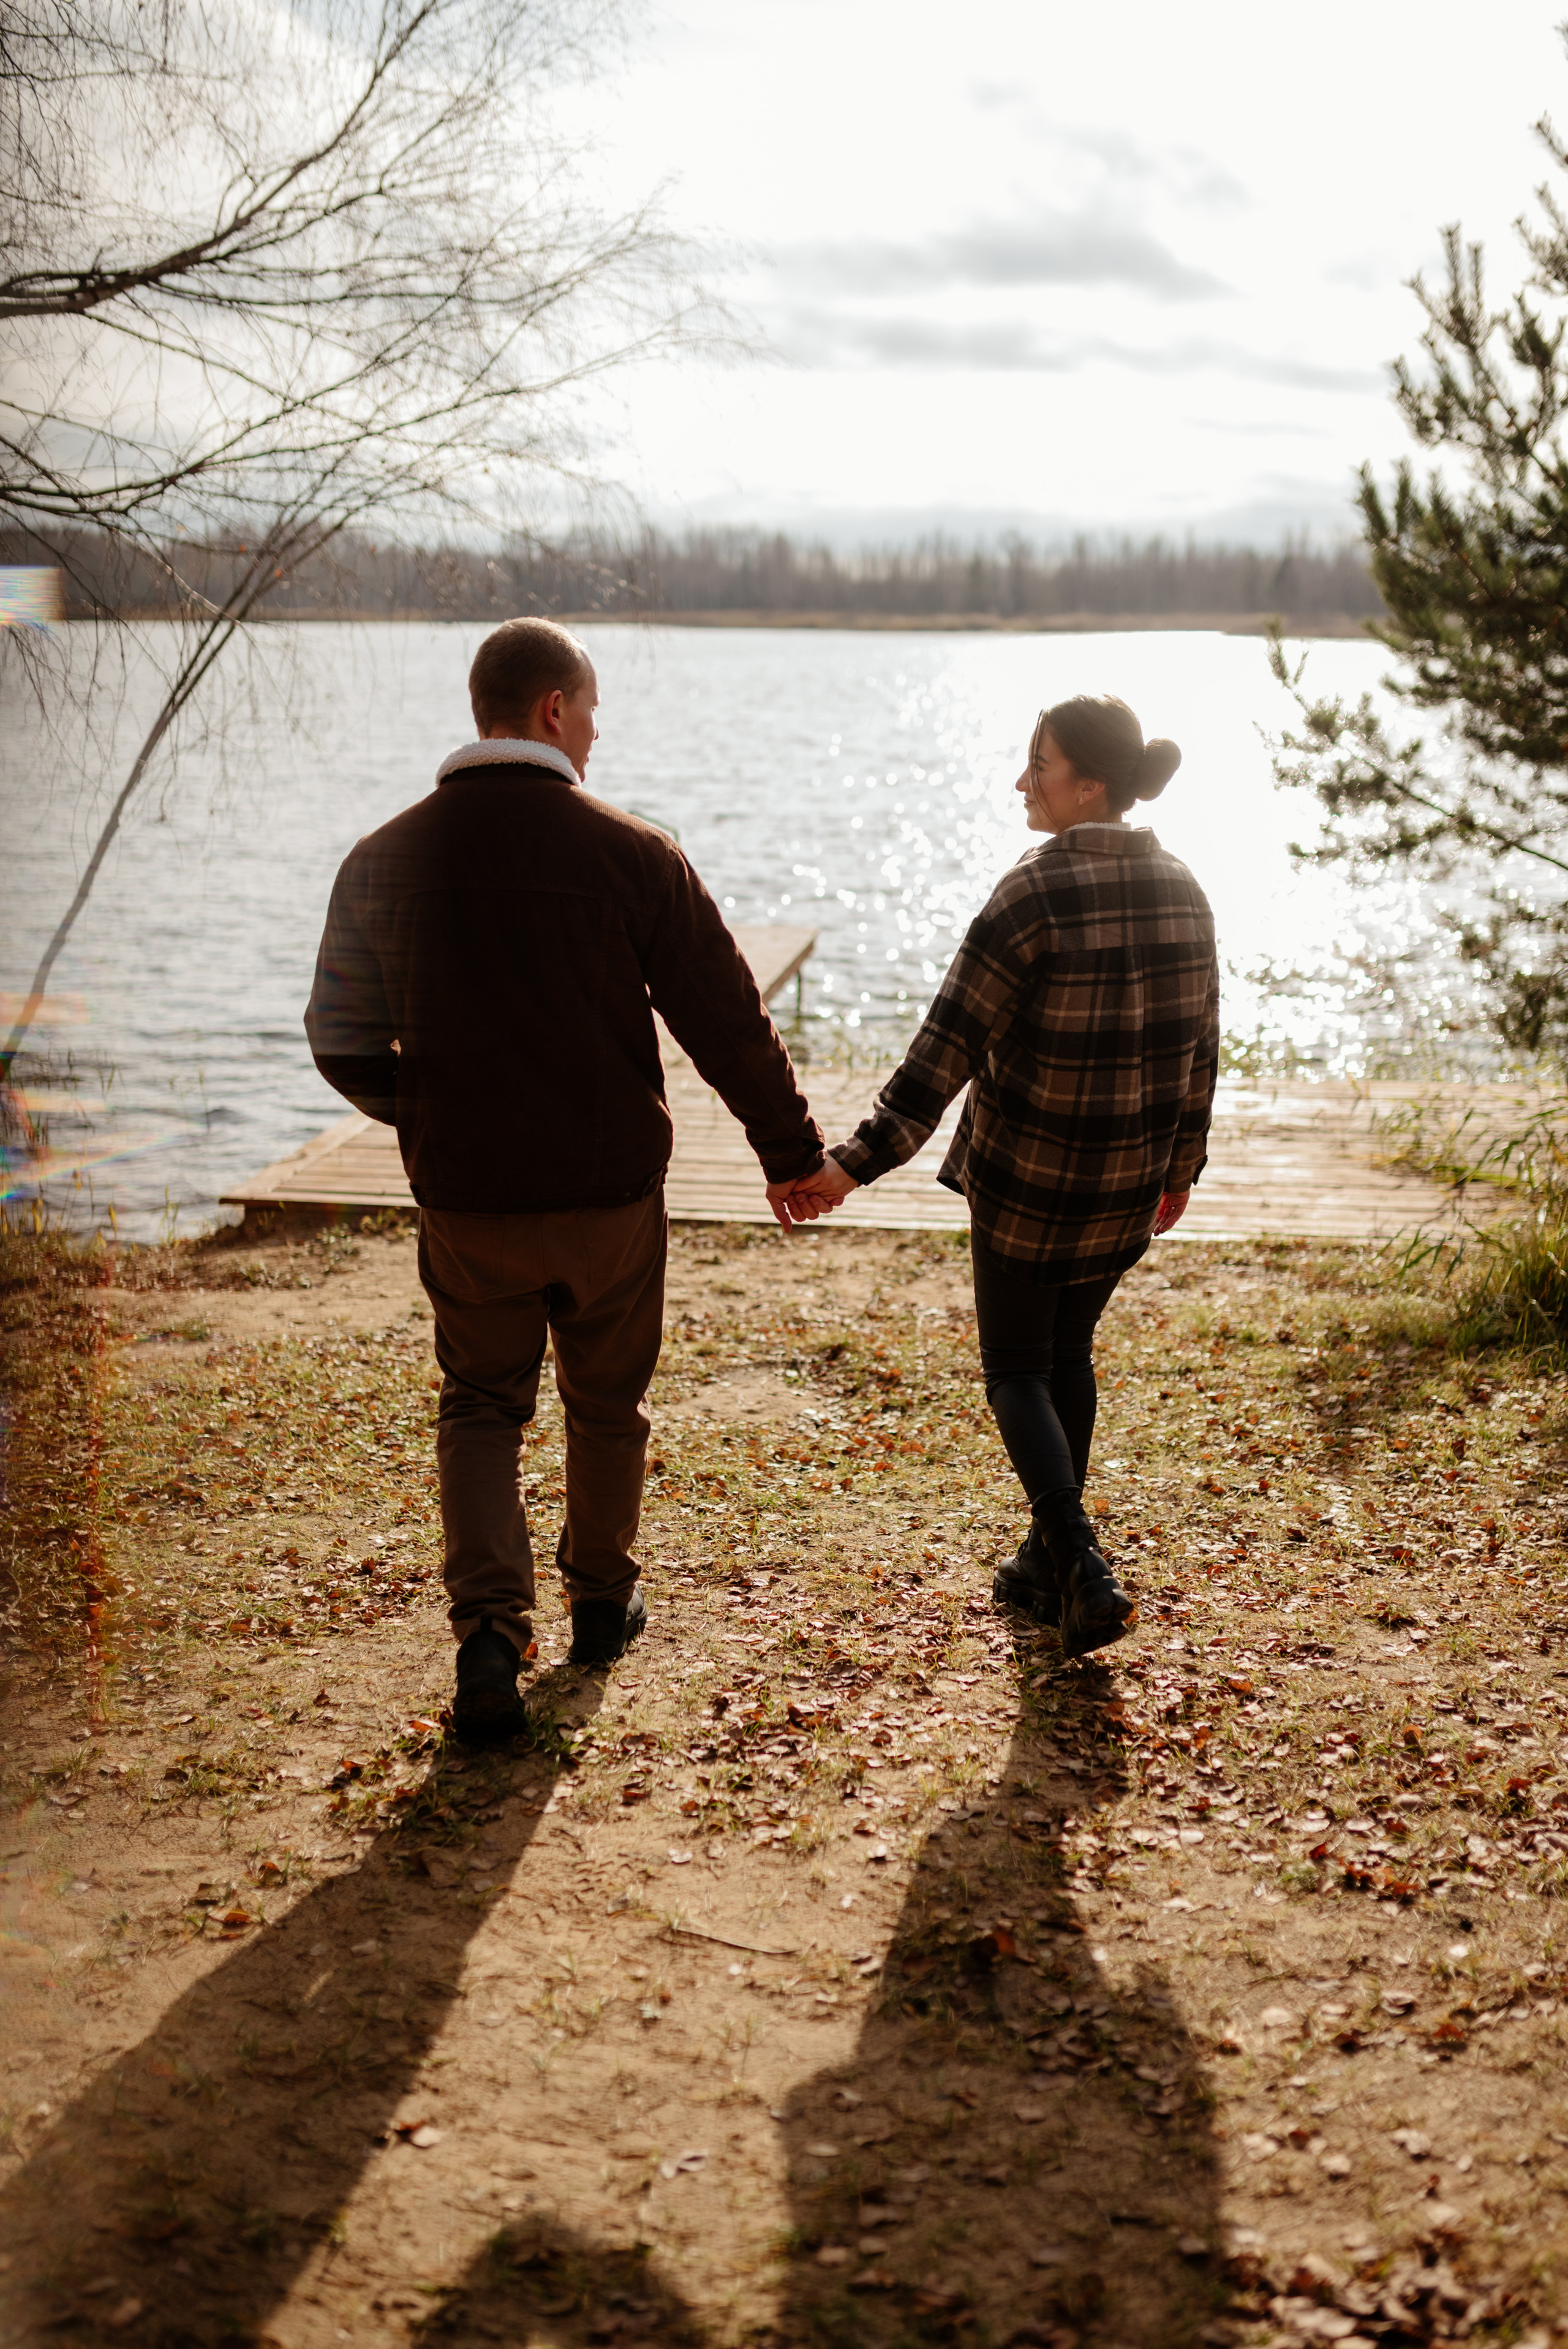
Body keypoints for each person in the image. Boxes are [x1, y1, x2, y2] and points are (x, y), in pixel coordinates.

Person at [304, 618, 825, 1741]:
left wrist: (432, 1108)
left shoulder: (381, 857)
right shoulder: (635, 853)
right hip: (608, 1197)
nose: (595, 732)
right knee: (607, 1402)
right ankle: (600, 1602)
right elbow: (725, 1019)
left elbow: (339, 1039)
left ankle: (491, 1640)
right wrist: (790, 1152)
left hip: (469, 1200)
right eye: (589, 710)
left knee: (481, 1405)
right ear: (552, 708)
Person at [784, 694, 1219, 1660]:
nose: (1023, 782)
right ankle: (1043, 1561)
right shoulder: (1185, 887)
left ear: (1090, 786)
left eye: (1040, 765)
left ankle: (1081, 1563)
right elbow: (1202, 1045)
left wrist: (849, 1165)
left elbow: (944, 1049)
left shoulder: (1034, 891)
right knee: (1068, 1355)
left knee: (1019, 1368)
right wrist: (1181, 1166)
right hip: (1127, 1183)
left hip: (1028, 1185)